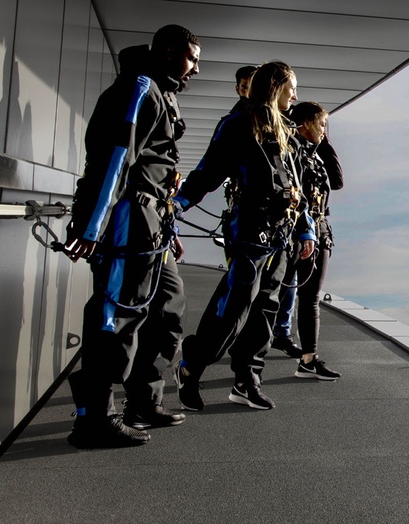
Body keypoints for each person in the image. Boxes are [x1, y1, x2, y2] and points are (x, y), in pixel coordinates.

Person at [63, 25, 200, 448]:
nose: (196, 68)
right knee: (117, 314)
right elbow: (115, 159)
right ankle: (93, 420)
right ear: (169, 52)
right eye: (191, 58)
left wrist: (170, 226)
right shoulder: (140, 89)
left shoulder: (162, 91)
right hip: (128, 219)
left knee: (168, 309)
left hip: (155, 223)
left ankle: (142, 401)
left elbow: (152, 166)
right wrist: (91, 227)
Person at [172, 61, 315, 411]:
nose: (296, 95)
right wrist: (175, 206)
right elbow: (208, 172)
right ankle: (191, 367)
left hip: (281, 237)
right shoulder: (237, 124)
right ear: (276, 85)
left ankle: (246, 380)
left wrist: (305, 229)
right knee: (233, 308)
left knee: (265, 310)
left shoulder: (288, 132)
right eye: (291, 87)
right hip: (249, 233)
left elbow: (295, 187)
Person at [282, 101, 344, 380]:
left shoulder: (310, 153)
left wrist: (324, 140)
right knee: (292, 298)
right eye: (321, 125)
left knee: (309, 299)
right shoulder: (291, 152)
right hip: (298, 236)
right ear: (306, 123)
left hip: (317, 233)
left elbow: (337, 180)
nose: (323, 131)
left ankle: (308, 359)